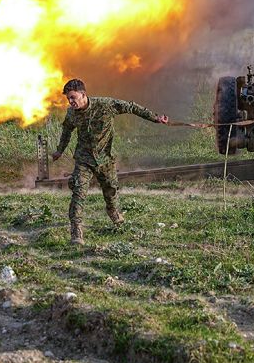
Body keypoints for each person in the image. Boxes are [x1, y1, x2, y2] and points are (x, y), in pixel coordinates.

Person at [52, 79, 168, 244]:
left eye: (73, 97)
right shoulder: (71, 113)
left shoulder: (106, 105)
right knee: (78, 192)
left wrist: (155, 118)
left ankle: (113, 212)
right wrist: (59, 150)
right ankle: (76, 231)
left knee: (111, 190)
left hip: (106, 158)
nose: (71, 102)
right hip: (84, 159)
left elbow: (132, 106)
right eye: (68, 99)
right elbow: (66, 131)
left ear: (83, 94)